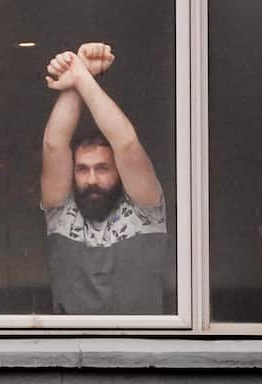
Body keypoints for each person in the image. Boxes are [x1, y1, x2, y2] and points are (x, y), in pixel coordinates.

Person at [40, 42, 167, 314]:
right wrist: (80, 72)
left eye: (102, 168)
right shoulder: (62, 214)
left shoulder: (145, 212)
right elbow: (54, 144)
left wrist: (82, 78)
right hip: (68, 353)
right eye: (82, 169)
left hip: (141, 352)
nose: (92, 179)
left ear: (120, 171)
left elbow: (126, 144)